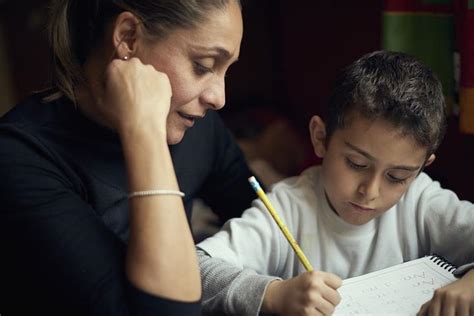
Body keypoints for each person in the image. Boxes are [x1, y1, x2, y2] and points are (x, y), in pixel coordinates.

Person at [0, 0, 257, 315]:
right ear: (128, 37)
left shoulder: (195, 127)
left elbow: (265, 227)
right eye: (202, 65)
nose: (219, 97)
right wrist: (143, 129)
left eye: (226, 69)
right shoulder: (19, 156)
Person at [197, 50, 474, 316]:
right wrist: (273, 293)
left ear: (422, 168)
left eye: (397, 177)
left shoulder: (421, 200)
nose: (370, 191)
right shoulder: (287, 209)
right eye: (356, 163)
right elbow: (197, 269)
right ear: (320, 138)